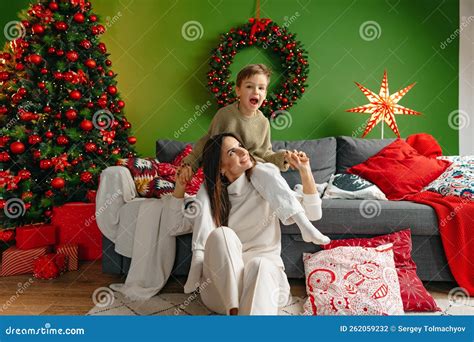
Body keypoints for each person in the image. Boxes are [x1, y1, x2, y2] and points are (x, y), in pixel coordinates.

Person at [181, 64, 330, 293]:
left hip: (252, 169)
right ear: (238, 90)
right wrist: (190, 163)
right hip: (225, 172)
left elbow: (265, 155)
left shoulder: (263, 122)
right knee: (202, 202)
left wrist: (283, 158)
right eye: (250, 86)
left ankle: (303, 223)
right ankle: (198, 260)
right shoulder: (225, 115)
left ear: (265, 93)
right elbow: (208, 143)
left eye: (261, 88)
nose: (256, 92)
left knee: (266, 171)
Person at [168, 133, 325, 315]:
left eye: (241, 145)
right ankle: (233, 306)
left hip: (265, 284)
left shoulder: (269, 185)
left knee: (260, 265)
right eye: (232, 152)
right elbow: (174, 227)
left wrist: (305, 171)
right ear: (220, 168)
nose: (244, 152)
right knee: (222, 234)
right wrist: (180, 186)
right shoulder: (211, 197)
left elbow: (313, 214)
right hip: (219, 291)